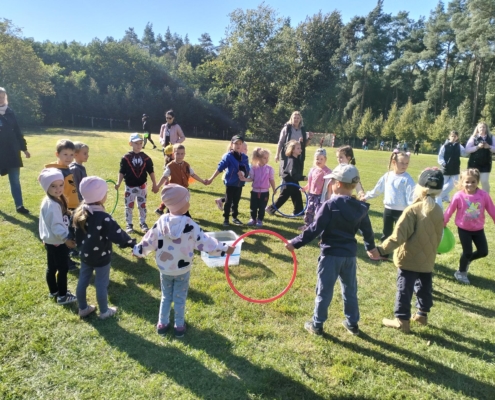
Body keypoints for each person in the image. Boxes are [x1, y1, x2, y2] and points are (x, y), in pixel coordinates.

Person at [285, 164, 379, 336]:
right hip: (349, 257)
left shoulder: (329, 205)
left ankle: (317, 325)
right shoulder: (360, 207)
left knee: (324, 291)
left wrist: (295, 242)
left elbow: (314, 229)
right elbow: (367, 230)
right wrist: (371, 248)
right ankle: (352, 323)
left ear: (337, 184)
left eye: (332, 181)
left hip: (330, 257)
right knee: (350, 290)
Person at [133, 184, 235, 337]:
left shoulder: (161, 222)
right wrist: (225, 248)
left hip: (165, 269)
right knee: (179, 298)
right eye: (187, 200)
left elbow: (149, 240)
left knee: (166, 296)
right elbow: (205, 241)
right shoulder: (190, 224)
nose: (189, 203)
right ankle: (179, 326)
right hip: (182, 270)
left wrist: (138, 250)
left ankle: (162, 324)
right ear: (181, 204)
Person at [378, 168, 444, 333]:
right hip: (427, 259)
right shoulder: (438, 210)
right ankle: (422, 314)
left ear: (419, 187)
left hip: (408, 259)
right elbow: (439, 236)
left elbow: (398, 236)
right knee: (424, 286)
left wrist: (381, 249)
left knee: (404, 288)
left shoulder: (413, 210)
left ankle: (401, 320)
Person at [71, 176, 136, 319]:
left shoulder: (78, 212)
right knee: (101, 284)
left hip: (85, 255)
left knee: (83, 280)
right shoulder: (103, 217)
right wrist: (131, 243)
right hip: (101, 258)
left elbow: (72, 232)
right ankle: (104, 312)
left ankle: (83, 308)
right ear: (100, 196)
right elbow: (118, 235)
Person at [444, 168, 495, 285]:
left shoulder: (483, 195)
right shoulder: (458, 196)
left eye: (473, 182)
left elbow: (492, 210)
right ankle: (461, 273)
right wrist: (443, 223)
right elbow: (449, 211)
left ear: (478, 182)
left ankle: (467, 260)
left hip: (478, 229)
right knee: (467, 251)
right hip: (464, 229)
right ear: (462, 182)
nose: (470, 184)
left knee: (483, 252)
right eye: (467, 182)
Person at [38, 168, 77, 305]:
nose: (58, 189)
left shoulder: (51, 201)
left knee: (52, 267)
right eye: (53, 186)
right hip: (58, 242)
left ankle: (53, 291)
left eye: (61, 185)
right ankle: (62, 296)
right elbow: (56, 226)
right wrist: (66, 239)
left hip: (50, 241)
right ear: (46, 187)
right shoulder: (52, 204)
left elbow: (49, 222)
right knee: (63, 268)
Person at [361, 150, 414, 242]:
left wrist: (413, 209)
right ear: (394, 162)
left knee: (401, 233)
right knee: (386, 232)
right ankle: (384, 249)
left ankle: (402, 250)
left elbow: (411, 196)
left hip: (402, 212)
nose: (404, 165)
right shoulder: (387, 176)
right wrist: (366, 197)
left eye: (407, 163)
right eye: (402, 163)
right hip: (388, 210)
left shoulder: (407, 179)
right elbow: (377, 190)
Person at [45, 139, 79, 270]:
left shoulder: (66, 168)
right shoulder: (55, 171)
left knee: (71, 230)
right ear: (57, 154)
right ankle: (65, 260)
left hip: (71, 207)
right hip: (62, 208)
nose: (69, 158)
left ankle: (69, 251)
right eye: (65, 154)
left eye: (71, 155)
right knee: (64, 233)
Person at [115, 133, 157, 234]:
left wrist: (154, 184)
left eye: (140, 143)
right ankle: (129, 224)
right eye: (136, 143)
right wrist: (118, 182)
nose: (139, 145)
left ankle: (143, 223)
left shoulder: (146, 158)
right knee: (129, 206)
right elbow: (122, 171)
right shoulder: (126, 158)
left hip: (142, 186)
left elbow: (151, 171)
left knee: (142, 206)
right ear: (130, 143)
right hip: (130, 187)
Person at [206, 135, 250, 226]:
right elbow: (220, 168)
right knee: (228, 201)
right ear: (231, 144)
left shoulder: (244, 157)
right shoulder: (228, 156)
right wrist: (211, 179)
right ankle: (226, 219)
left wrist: (243, 173)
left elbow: (247, 169)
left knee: (236, 202)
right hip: (230, 184)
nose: (238, 145)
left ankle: (234, 217)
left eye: (240, 143)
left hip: (240, 184)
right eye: (236, 143)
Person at [0, 87, 31, 214]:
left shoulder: (10, 112)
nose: (1, 99)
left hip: (12, 153)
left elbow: (18, 132)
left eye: (3, 97)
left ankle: (19, 205)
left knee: (15, 181)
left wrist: (24, 149)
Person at [154, 144, 207, 216]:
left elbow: (193, 174)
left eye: (182, 154)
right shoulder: (170, 166)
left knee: (184, 210)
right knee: (172, 211)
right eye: (178, 154)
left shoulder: (187, 165)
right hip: (174, 192)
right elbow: (164, 177)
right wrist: (157, 186)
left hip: (183, 192)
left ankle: (184, 217)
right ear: (173, 154)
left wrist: (202, 181)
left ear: (184, 154)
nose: (180, 156)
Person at [266, 140, 307, 217]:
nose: (300, 150)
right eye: (298, 148)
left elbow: (303, 154)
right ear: (293, 150)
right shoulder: (292, 160)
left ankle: (299, 211)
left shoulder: (296, 158)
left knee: (297, 195)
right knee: (284, 196)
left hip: (293, 181)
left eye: (300, 148)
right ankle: (271, 208)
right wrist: (303, 178)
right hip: (289, 181)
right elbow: (293, 174)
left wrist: (302, 142)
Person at [238, 147, 276, 227]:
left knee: (262, 207)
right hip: (255, 191)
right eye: (264, 158)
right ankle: (253, 219)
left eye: (267, 158)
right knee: (253, 206)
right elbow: (251, 178)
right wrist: (244, 179)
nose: (267, 159)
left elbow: (271, 179)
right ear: (258, 158)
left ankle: (260, 220)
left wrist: (274, 189)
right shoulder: (254, 168)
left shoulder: (269, 169)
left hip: (265, 192)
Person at [299, 148, 331, 230]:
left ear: (325, 160)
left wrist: (328, 196)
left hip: (320, 196)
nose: (319, 161)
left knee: (318, 212)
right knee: (309, 210)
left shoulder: (327, 172)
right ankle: (307, 225)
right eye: (317, 159)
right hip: (311, 194)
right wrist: (305, 188)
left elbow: (329, 185)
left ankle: (318, 228)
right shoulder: (313, 170)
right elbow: (310, 182)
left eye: (321, 159)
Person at [275, 111, 313, 176]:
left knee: (296, 175)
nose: (296, 119)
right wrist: (277, 154)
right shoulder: (287, 129)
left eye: (298, 118)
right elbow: (280, 142)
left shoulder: (302, 130)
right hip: (287, 155)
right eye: (294, 118)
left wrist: (309, 138)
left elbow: (304, 145)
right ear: (291, 118)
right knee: (285, 175)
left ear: (300, 119)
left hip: (298, 157)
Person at [215, 141, 248, 211]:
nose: (247, 150)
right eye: (245, 149)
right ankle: (228, 206)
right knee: (232, 195)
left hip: (236, 181)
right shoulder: (230, 156)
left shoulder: (243, 158)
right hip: (229, 179)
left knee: (233, 195)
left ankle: (223, 202)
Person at [437, 131, 467, 208]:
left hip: (455, 168)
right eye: (452, 136)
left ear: (457, 137)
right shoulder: (445, 146)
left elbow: (464, 153)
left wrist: (468, 147)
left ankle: (438, 195)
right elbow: (440, 156)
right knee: (444, 184)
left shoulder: (459, 146)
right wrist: (443, 163)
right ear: (449, 136)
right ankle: (445, 198)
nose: (453, 138)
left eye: (455, 136)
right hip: (446, 168)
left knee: (453, 183)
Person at [465, 122, 495, 193]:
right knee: (472, 181)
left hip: (486, 163)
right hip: (474, 163)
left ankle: (485, 197)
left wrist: (489, 147)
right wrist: (477, 147)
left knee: (484, 181)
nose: (482, 129)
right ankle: (471, 196)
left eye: (484, 127)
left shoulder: (491, 137)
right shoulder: (473, 137)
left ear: (486, 128)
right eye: (480, 127)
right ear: (477, 128)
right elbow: (467, 149)